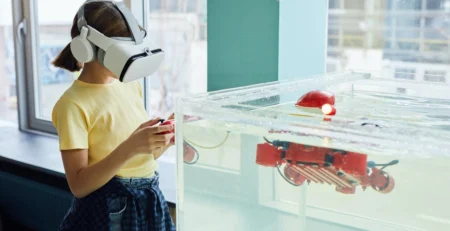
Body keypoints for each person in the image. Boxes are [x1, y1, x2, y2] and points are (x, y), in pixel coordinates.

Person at [51, 1, 176, 231]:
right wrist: (131, 146)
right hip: (110, 210)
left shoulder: (130, 86)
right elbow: (79, 185)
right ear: (86, 47)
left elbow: (137, 159)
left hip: (149, 201)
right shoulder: (72, 105)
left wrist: (165, 136)